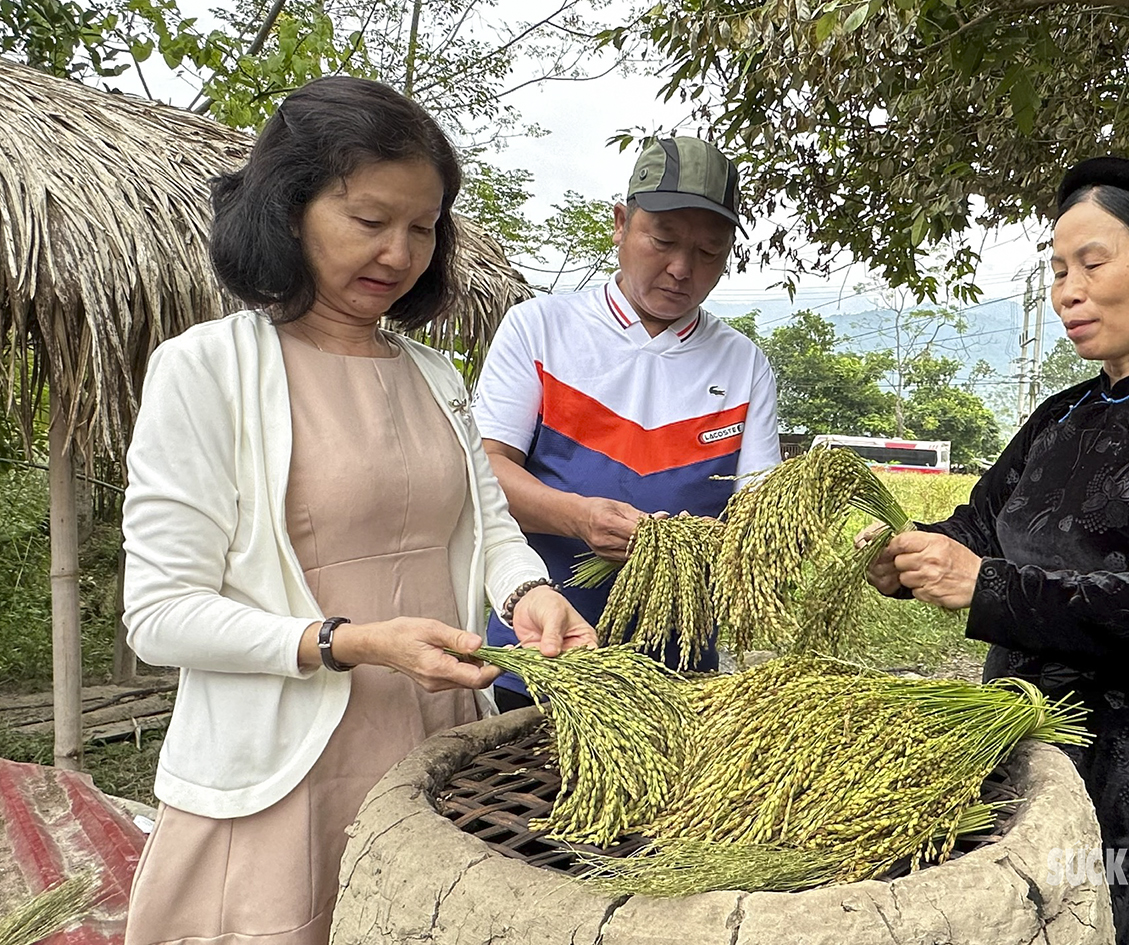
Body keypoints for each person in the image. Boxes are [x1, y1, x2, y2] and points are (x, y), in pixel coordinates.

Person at [120, 76, 594, 945]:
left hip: (433, 741)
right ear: (287, 209)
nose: (399, 253)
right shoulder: (207, 369)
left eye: (422, 228)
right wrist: (351, 641)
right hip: (282, 771)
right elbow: (159, 616)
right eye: (369, 221)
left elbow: (485, 526)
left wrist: (528, 593)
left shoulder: (434, 375)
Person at [863, 157, 1129, 945]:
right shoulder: (1058, 414)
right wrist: (904, 558)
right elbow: (976, 530)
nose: (1066, 289)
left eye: (1092, 262)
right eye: (1057, 268)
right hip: (1020, 719)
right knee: (1034, 916)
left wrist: (984, 585)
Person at [472, 136, 781, 710]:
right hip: (545, 655)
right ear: (620, 224)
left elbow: (759, 510)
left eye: (710, 252)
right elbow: (485, 471)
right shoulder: (540, 330)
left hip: (677, 667)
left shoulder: (743, 365)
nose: (681, 269)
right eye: (662, 241)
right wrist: (580, 518)